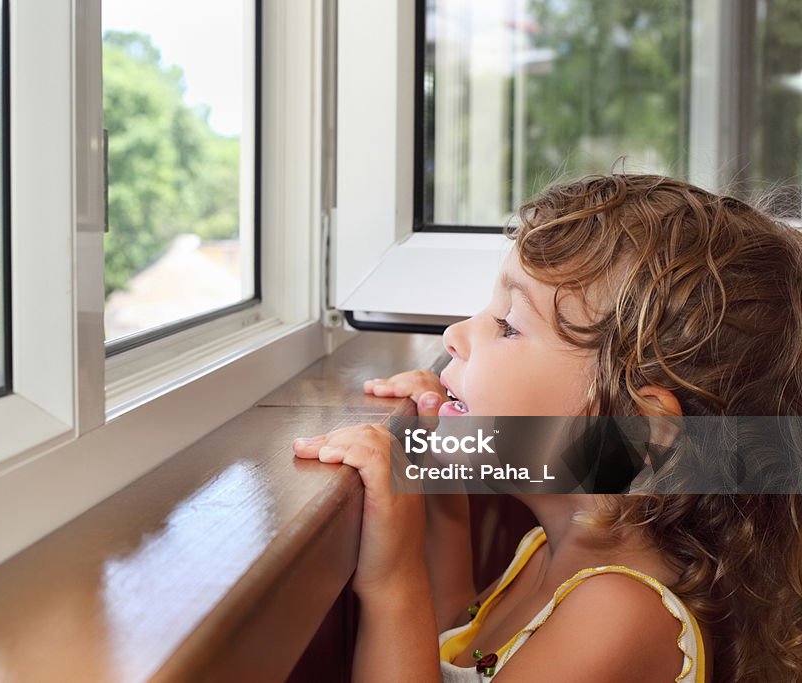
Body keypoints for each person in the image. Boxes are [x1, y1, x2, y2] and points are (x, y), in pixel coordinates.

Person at [293, 174, 802, 682]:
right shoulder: (547, 554)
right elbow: (455, 634)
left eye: (508, 325)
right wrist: (436, 483)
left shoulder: (618, 614)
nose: (453, 335)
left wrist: (391, 583)